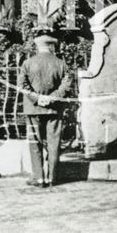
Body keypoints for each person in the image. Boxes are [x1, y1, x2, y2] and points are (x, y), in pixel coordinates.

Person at [20, 34, 71, 187]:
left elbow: (22, 85)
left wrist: (37, 98)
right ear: (52, 46)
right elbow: (66, 86)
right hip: (54, 109)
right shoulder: (61, 63)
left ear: (37, 47)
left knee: (34, 142)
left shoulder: (28, 63)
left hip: (33, 108)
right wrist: (51, 98)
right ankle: (52, 177)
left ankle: (39, 177)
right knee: (53, 143)